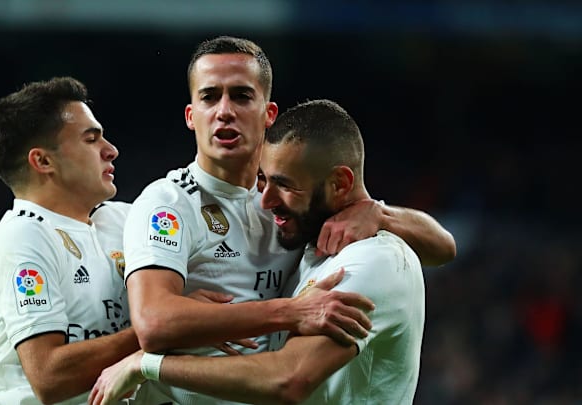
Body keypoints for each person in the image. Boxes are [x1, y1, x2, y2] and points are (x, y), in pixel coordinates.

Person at [119, 36, 455, 404]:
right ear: (190, 115)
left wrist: (379, 212)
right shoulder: (168, 203)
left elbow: (442, 247)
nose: (224, 111)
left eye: (242, 96)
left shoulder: (291, 210)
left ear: (269, 113)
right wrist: (290, 312)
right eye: (210, 96)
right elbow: (151, 322)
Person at [0, 77, 139, 404]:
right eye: (91, 140)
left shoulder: (124, 220)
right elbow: (49, 376)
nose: (111, 150)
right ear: (43, 161)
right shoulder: (22, 236)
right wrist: (159, 331)